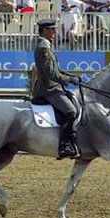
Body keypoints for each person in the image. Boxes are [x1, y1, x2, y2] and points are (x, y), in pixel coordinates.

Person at [32, 18, 81, 159]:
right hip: (49, 89)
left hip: (53, 86)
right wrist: (70, 80)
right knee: (71, 112)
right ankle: (64, 146)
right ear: (44, 31)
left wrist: (71, 75)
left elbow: (57, 69)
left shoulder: (47, 45)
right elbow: (51, 74)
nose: (54, 31)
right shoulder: (43, 48)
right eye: (52, 29)